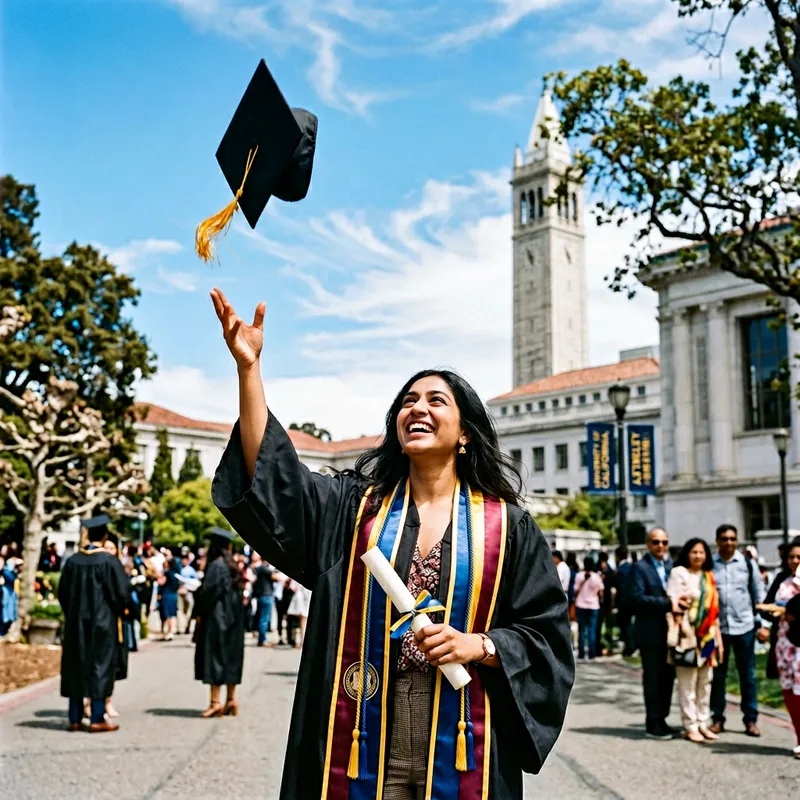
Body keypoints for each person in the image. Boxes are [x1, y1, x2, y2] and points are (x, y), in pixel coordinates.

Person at [209, 288, 574, 800]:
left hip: (464, 734)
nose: (417, 408)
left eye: (435, 400)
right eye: (408, 401)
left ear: (465, 433)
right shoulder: (354, 510)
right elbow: (278, 482)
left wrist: (483, 645)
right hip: (359, 725)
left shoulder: (507, 528)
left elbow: (547, 634)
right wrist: (250, 372)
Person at [58, 515, 130, 733]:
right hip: (103, 624)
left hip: (75, 625)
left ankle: (74, 718)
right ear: (105, 536)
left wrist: (72, 614)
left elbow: (63, 593)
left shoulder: (72, 561)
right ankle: (97, 718)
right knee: (100, 666)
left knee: (76, 665)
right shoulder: (109, 561)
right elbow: (122, 595)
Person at [709, 524, 765, 737]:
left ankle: (750, 719)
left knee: (748, 676)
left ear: (737, 540)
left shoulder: (747, 565)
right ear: (717, 541)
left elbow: (759, 595)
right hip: (718, 630)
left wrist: (762, 625)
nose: (728, 543)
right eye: (724, 538)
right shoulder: (709, 564)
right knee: (717, 675)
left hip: (745, 628)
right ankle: (717, 718)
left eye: (732, 538)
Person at [666, 538, 723, 743]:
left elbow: (714, 611)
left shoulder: (708, 576)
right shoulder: (679, 573)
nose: (698, 556)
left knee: (705, 683)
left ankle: (703, 722)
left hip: (708, 637)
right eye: (694, 552)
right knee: (687, 684)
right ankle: (690, 725)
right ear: (686, 554)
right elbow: (673, 602)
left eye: (702, 552)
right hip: (687, 636)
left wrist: (718, 640)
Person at [632, 527, 681, 740]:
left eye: (664, 542)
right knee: (652, 679)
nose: (660, 546)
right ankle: (652, 722)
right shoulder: (639, 568)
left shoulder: (672, 567)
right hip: (649, 633)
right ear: (647, 544)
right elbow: (637, 598)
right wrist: (669, 604)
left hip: (670, 632)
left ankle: (663, 718)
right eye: (655, 542)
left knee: (668, 678)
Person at [193, 528, 245, 718]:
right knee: (231, 658)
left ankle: (215, 702)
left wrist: (198, 603)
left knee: (215, 658)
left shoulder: (216, 566)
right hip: (234, 620)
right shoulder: (233, 566)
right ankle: (231, 700)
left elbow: (208, 594)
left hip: (217, 619)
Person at [772, 538, 800, 758]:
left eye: (799, 557)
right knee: (789, 691)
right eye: (791, 557)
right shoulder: (783, 583)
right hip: (786, 644)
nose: (795, 561)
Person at [573, 557, 604, 662]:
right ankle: (591, 654)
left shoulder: (579, 576)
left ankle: (581, 654)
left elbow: (575, 590)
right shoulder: (596, 577)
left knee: (582, 630)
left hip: (581, 604)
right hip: (593, 605)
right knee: (592, 631)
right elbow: (600, 592)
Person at [251, 554, 277, 646]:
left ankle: (261, 638)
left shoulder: (258, 568)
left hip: (261, 595)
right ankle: (263, 639)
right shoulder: (265, 569)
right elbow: (275, 577)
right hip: (266, 595)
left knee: (262, 617)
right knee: (264, 618)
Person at [614, 545, 636, 657]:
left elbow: (621, 588)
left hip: (624, 602)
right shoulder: (632, 567)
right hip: (631, 601)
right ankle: (630, 646)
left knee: (626, 625)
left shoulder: (621, 570)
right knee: (629, 625)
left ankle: (630, 647)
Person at [595, 552, 616, 656]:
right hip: (601, 602)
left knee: (604, 626)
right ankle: (600, 647)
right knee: (601, 626)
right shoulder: (600, 570)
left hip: (603, 602)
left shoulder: (609, 571)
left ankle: (605, 647)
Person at [157, 556, 180, 641]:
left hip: (167, 594)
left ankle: (169, 631)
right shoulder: (176, 572)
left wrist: (158, 578)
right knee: (173, 613)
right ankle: (173, 630)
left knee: (168, 614)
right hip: (174, 594)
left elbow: (161, 582)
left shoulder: (167, 573)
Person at [178, 553, 198, 635]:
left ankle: (187, 626)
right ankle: (181, 627)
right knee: (180, 610)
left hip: (188, 591)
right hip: (180, 591)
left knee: (189, 609)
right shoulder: (178, 568)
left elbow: (195, 581)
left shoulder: (191, 570)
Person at [0, 555, 19, 638]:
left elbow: (12, 579)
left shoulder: (6, 571)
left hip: (7, 596)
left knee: (6, 614)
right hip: (5, 595)